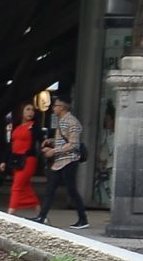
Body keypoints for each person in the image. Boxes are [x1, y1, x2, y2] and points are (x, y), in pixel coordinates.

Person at [41, 94, 88, 226]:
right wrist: (50, 142)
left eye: (55, 106)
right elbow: (62, 141)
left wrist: (53, 151)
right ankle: (42, 216)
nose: (53, 108)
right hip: (59, 162)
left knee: (72, 190)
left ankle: (83, 219)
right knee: (50, 189)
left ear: (62, 107)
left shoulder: (72, 122)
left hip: (69, 161)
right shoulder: (61, 121)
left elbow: (73, 144)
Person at [5, 106, 38, 214]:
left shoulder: (33, 127)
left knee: (17, 186)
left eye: (32, 110)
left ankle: (10, 213)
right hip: (17, 160)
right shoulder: (16, 126)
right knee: (26, 187)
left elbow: (39, 139)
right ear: (21, 112)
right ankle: (41, 214)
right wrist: (5, 160)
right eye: (27, 109)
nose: (30, 112)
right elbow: (11, 145)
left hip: (28, 160)